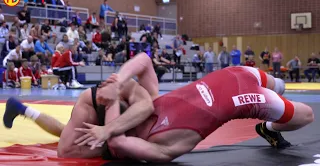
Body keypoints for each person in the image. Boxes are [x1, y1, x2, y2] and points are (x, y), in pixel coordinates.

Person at [3, 53, 314, 162]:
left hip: (235, 76)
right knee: (305, 114)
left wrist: (114, 94)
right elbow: (116, 141)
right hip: (246, 95)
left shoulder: (145, 110)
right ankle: (268, 127)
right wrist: (113, 99)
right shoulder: (163, 146)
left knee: (283, 88)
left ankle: (269, 127)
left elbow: (116, 139)